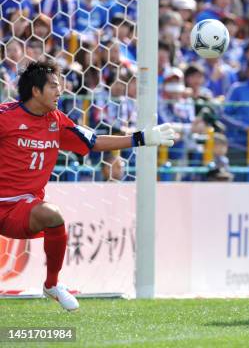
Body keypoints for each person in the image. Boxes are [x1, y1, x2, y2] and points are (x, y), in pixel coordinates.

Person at [0, 60, 175, 311]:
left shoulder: (56, 121)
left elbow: (93, 141)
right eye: (53, 86)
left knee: (52, 215)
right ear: (35, 91)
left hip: (21, 210)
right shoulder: (5, 117)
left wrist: (141, 138)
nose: (59, 91)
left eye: (59, 86)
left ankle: (51, 284)